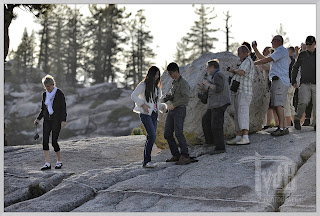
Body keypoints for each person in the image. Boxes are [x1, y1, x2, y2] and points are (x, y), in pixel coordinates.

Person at [253, 35, 290, 136]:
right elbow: (264, 58)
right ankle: (282, 126)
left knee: (278, 105)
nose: (271, 43)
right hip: (276, 81)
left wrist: (252, 63)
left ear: (278, 41)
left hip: (280, 81)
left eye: (272, 41)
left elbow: (266, 60)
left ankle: (282, 128)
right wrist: (255, 49)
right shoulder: (278, 52)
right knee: (276, 105)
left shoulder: (281, 50)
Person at [131, 66, 167, 168]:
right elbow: (133, 95)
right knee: (152, 136)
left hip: (154, 114)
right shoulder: (143, 85)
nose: (157, 77)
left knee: (150, 137)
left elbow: (156, 103)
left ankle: (147, 161)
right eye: (155, 74)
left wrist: (163, 107)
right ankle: (147, 161)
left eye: (158, 75)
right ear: (151, 74)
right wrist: (142, 104)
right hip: (145, 114)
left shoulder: (157, 88)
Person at [34, 75, 67, 170]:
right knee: (45, 141)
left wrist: (63, 120)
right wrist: (38, 119)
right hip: (47, 121)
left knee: (54, 142)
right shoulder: (44, 95)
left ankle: (59, 161)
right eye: (45, 86)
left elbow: (63, 108)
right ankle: (47, 163)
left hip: (56, 121)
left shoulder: (59, 93)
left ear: (53, 84)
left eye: (48, 86)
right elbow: (43, 108)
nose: (47, 88)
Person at [198, 59, 231, 154]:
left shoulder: (218, 74)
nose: (207, 69)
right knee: (206, 120)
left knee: (216, 125)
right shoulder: (215, 75)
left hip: (219, 103)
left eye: (208, 67)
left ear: (212, 67)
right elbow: (213, 88)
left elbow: (219, 88)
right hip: (215, 104)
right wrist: (203, 87)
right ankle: (210, 141)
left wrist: (208, 84)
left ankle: (220, 147)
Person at [164, 62, 193, 165]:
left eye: (171, 73)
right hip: (172, 110)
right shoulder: (174, 82)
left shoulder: (183, 83)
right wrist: (168, 98)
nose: (170, 76)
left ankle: (185, 156)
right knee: (167, 133)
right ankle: (176, 155)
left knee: (178, 133)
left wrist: (175, 104)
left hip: (179, 110)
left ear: (176, 71)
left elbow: (186, 98)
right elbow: (174, 94)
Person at [226, 45, 255, 145]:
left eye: (239, 53)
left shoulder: (247, 61)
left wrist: (233, 70)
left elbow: (242, 72)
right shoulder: (244, 62)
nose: (238, 55)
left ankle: (246, 137)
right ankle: (238, 137)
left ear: (244, 53)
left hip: (245, 92)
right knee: (238, 114)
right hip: (240, 92)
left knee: (243, 113)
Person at [291, 36, 316, 131]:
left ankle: (316, 124)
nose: (309, 46)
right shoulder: (302, 55)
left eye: (310, 44)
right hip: (304, 83)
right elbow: (295, 67)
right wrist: (293, 80)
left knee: (316, 104)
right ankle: (297, 120)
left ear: (314, 43)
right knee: (303, 102)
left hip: (316, 83)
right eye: (307, 44)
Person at [284, 46, 296, 126]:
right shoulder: (294, 60)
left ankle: (288, 125)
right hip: (292, 84)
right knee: (291, 106)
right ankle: (295, 124)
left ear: (291, 52)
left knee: (287, 106)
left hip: (287, 84)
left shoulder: (288, 59)